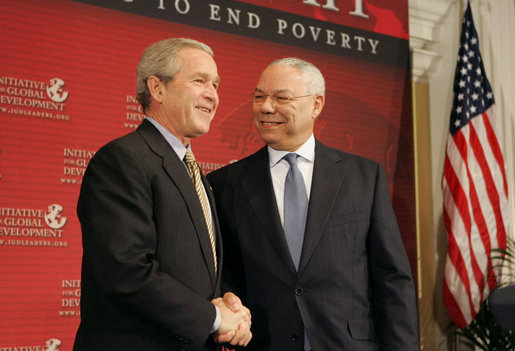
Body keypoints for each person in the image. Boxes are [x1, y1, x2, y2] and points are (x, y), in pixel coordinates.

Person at [207, 57, 419, 350]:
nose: (266, 107)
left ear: (317, 105)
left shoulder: (364, 177)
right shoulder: (224, 183)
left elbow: (392, 278)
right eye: (259, 97)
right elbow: (223, 274)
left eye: (281, 97)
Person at [73, 38, 251, 351]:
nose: (213, 95)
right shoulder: (122, 160)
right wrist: (213, 317)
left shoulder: (193, 171)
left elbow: (191, 270)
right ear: (157, 89)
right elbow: (126, 272)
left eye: (216, 84)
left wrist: (228, 303)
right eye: (199, 81)